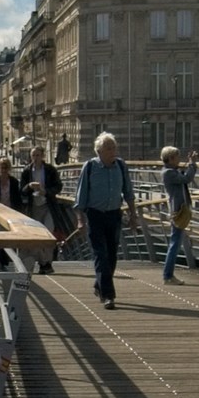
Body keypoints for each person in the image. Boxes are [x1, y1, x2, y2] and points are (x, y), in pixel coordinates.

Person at [74, 131, 137, 306]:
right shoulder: (90, 167)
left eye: (113, 148)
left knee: (111, 256)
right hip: (95, 215)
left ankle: (99, 285)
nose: (112, 151)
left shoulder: (121, 166)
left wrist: (133, 215)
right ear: (99, 151)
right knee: (100, 254)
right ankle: (108, 295)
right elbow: (80, 197)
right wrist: (81, 220)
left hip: (114, 215)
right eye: (108, 148)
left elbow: (129, 193)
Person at [160, 143, 199, 282]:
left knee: (175, 242)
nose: (179, 159)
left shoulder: (171, 171)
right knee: (175, 243)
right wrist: (192, 164)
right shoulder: (169, 173)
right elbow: (187, 179)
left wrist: (189, 164)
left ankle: (168, 275)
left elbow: (183, 176)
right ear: (170, 158)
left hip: (178, 210)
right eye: (177, 157)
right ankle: (168, 276)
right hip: (178, 211)